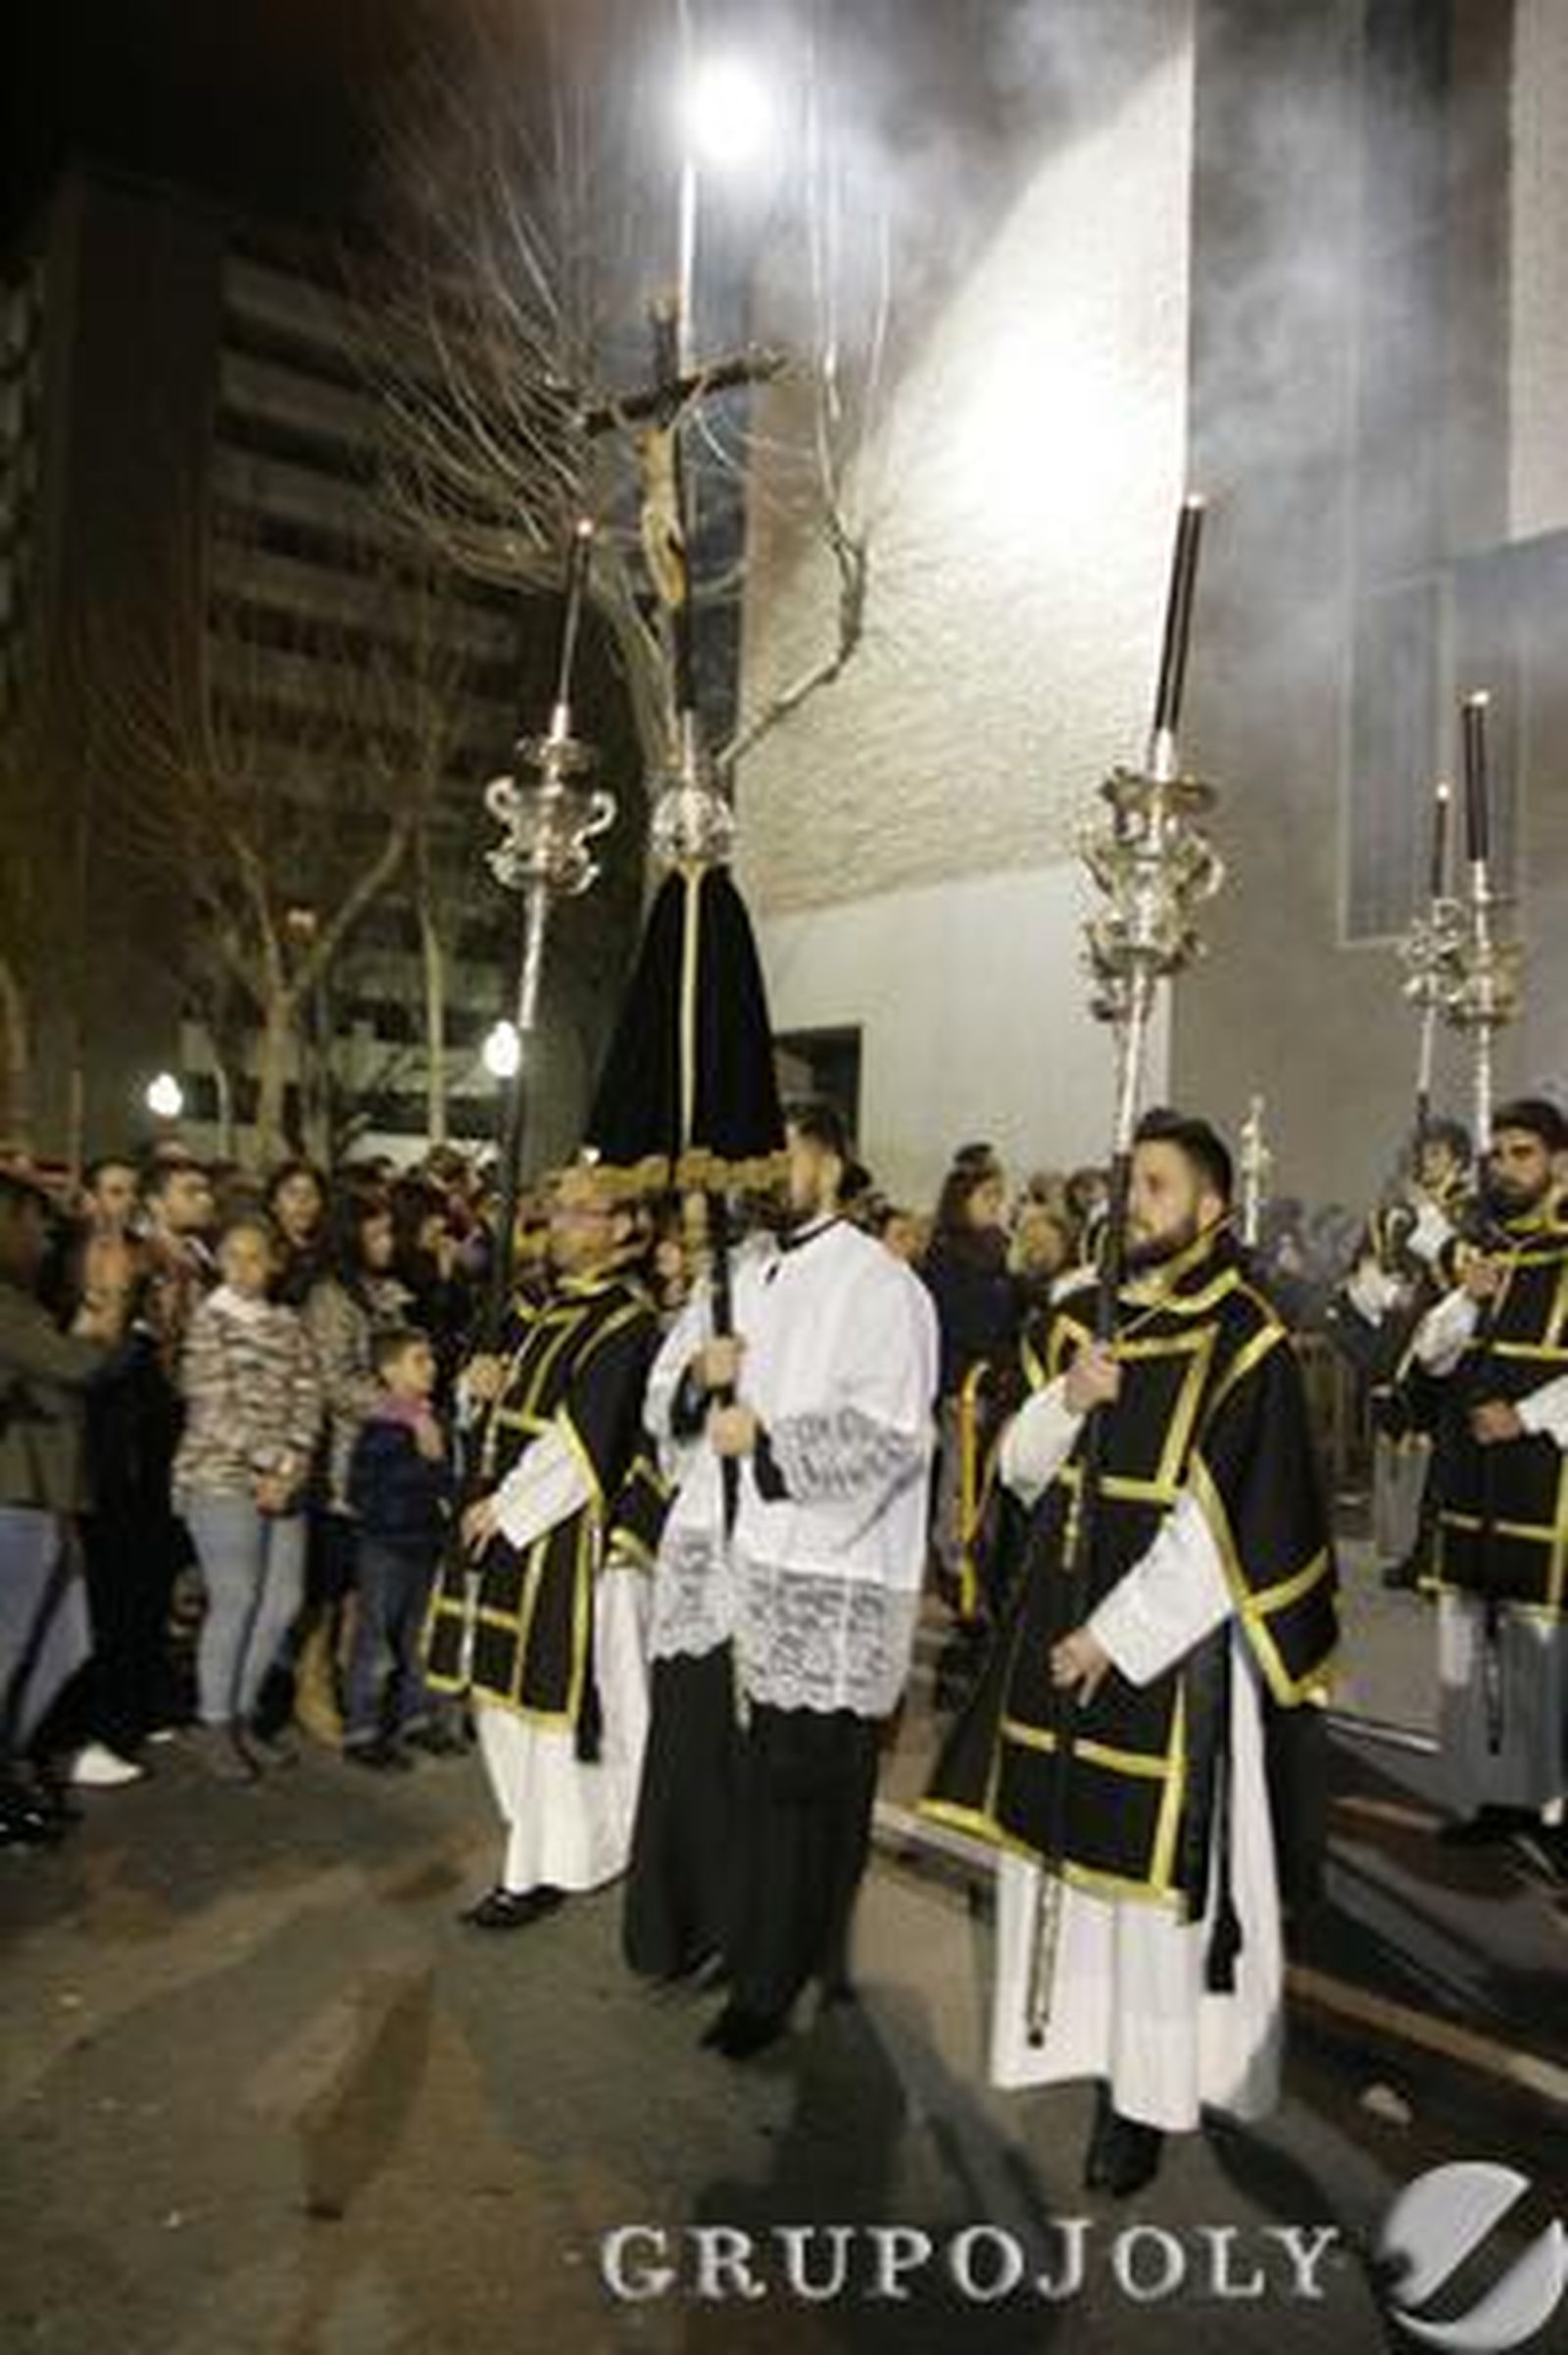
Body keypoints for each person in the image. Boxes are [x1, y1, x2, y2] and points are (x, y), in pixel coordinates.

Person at [925, 1109, 1340, 2196]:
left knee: (1153, 1886)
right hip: (1057, 1628)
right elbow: (1012, 1470)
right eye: (1130, 1185)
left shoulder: (1243, 1336)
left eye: (1157, 1187)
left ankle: (1144, 2095)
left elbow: (1225, 1523)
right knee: (1061, 1843)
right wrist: (1068, 1400)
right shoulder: (1078, 1321)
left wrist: (1116, 1636)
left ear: (1211, 1208)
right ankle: (1065, 2037)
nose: (1133, 1205)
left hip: (1169, 1659)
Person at [696, 1103, 940, 2058]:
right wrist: (704, 1383)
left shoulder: (882, 1284)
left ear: (832, 1161)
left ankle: (773, 1981)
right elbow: (700, 1384)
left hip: (837, 1570)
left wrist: (768, 1439)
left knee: (811, 1785)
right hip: (767, 1557)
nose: (768, 1172)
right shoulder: (753, 1272)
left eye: (783, 1151)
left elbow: (893, 1437)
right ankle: (786, 1951)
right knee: (783, 1782)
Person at [425, 1163, 664, 1929]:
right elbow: (484, 1393)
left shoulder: (626, 1319)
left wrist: (509, 1505)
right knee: (502, 1703)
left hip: (559, 1533)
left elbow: (585, 1433)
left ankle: (546, 1864)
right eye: (554, 1209)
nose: (556, 1223)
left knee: (549, 1712)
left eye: (577, 1212)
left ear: (623, 1226)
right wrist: (477, 1382)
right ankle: (554, 1845)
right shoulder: (532, 1301)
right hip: (505, 1521)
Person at [1402, 1097, 1566, 1850]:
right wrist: (1466, 1298)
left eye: (1522, 1152)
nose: (1504, 1165)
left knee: (1544, 1646)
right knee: (1470, 1641)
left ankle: (1556, 1807)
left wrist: (1527, 1416)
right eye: (1497, 1153)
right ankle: (1494, 1794)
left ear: (1560, 1164)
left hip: (1547, 1484)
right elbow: (1429, 1356)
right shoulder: (1483, 1252)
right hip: (1472, 1484)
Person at [622, 1205, 779, 1984]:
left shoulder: (822, 1283)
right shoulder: (710, 1292)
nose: (683, 1240)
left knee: (756, 1752)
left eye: (695, 1222)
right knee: (689, 1735)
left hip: (780, 1538)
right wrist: (696, 1378)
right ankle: (682, 1923)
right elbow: (661, 1406)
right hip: (703, 1536)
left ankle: (747, 1923)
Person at [0, 1167, 127, 1843]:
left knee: (65, 1637)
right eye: (30, 1222)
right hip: (14, 1495)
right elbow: (78, 1366)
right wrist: (111, 1321)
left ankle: (13, 1760)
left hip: (46, 1496)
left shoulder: (23, 1301)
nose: (43, 1237)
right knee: (11, 1645)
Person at [173, 1214, 321, 1780]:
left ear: (274, 1261)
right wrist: (271, 1459)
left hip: (283, 1474)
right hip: (219, 1476)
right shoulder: (209, 1320)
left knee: (283, 1599)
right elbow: (211, 1406)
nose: (244, 1266)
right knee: (236, 1597)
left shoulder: (286, 1323)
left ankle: (243, 1710)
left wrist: (293, 1459)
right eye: (233, 1255)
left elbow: (309, 1393)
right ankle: (213, 1721)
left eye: (256, 1255)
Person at [344, 1326, 455, 1765]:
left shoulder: (431, 1419)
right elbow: (372, 1490)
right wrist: (429, 1464)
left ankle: (417, 1718)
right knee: (377, 1640)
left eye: (431, 1358)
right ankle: (364, 1729)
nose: (431, 1367)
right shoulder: (383, 1426)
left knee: (418, 1639)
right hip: (388, 1546)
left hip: (424, 1544)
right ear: (389, 1371)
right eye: (419, 1360)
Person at [266, 1160, 329, 1310]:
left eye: (311, 1193)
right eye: (292, 1193)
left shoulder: (330, 1253)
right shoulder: (265, 1254)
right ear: (273, 1204)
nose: (302, 1201)